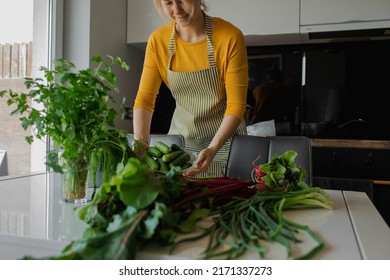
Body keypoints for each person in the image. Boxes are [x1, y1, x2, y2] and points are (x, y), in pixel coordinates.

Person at [132, 0, 248, 177]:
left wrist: (213, 147)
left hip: (226, 144)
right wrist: (140, 143)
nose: (176, 10)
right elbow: (145, 99)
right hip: (180, 146)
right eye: (168, 2)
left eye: (182, 0)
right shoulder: (158, 41)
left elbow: (236, 105)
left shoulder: (229, 36)